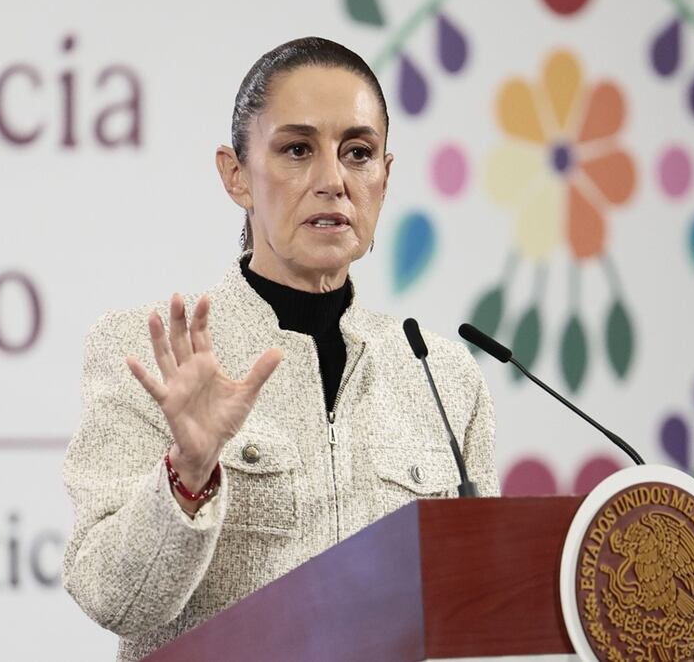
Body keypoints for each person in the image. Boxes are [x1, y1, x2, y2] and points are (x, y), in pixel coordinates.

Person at [62, 37, 499, 661]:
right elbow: (114, 599)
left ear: (385, 176)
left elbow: (479, 609)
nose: (333, 181)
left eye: (358, 153)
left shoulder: (442, 375)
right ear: (235, 174)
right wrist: (187, 474)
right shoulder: (150, 352)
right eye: (297, 150)